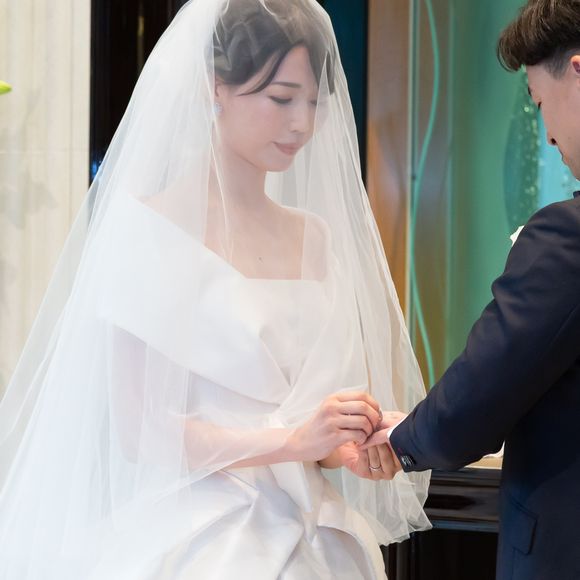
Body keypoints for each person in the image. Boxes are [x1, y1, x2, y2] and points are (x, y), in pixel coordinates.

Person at [0, 1, 430, 578]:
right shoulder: (148, 230)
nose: (301, 124)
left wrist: (342, 444)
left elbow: (314, 424)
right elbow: (141, 429)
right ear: (216, 88)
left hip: (318, 534)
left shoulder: (315, 238)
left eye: (313, 102)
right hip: (205, 535)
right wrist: (292, 441)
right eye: (281, 98)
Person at [365, 1, 580, 579]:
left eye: (540, 103)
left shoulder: (568, 235)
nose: (547, 134)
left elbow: (484, 387)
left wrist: (403, 439)